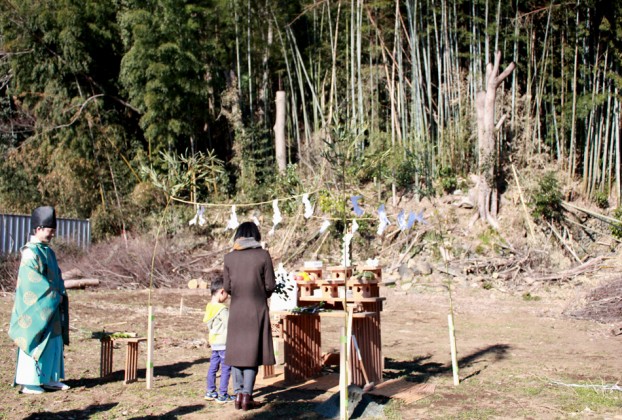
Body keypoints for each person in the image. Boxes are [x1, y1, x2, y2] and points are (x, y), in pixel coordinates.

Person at [8, 206, 70, 394]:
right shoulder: (30, 252)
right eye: (49, 231)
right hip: (35, 307)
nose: (52, 235)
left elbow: (56, 276)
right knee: (36, 339)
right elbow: (30, 283)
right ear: (38, 229)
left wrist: (60, 294)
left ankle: (50, 378)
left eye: (53, 231)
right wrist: (52, 296)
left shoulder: (48, 252)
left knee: (54, 340)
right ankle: (29, 382)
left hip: (53, 305)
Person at [223, 221, 276, 411]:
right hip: (256, 308)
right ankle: (247, 396)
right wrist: (262, 293)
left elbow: (227, 287)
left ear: (238, 236)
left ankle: (238, 395)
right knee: (252, 352)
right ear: (255, 236)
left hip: (237, 309)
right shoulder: (263, 255)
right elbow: (270, 285)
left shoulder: (229, 257)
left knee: (238, 352)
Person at [203, 276, 234, 403]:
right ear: (222, 291)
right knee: (226, 368)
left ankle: (210, 391)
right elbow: (230, 324)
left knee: (213, 367)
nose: (227, 297)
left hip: (214, 343)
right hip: (224, 343)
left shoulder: (209, 307)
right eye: (227, 294)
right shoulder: (222, 309)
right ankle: (223, 394)